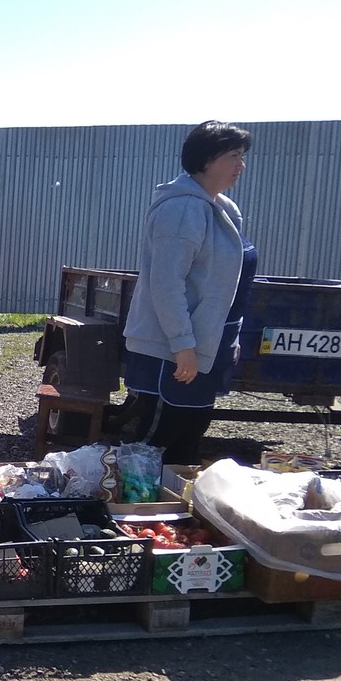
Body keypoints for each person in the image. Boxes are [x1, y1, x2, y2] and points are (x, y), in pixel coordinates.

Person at [120, 120, 257, 464]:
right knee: (152, 448)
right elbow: (166, 284)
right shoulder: (182, 208)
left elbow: (222, 285)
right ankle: (119, 499)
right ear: (207, 159)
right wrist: (183, 346)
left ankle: (168, 501)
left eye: (242, 156)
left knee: (186, 443)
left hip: (203, 348)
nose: (241, 165)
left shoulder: (223, 209)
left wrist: (227, 340)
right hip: (174, 351)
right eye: (233, 156)